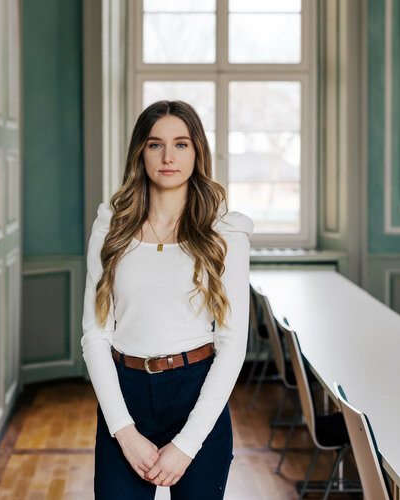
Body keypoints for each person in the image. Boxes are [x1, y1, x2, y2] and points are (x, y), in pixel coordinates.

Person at [81, 100, 254, 499]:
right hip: (124, 394)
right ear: (140, 152)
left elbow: (231, 346)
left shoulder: (225, 231)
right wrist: (124, 432)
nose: (168, 156)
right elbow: (94, 335)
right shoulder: (111, 223)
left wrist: (187, 444)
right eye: (156, 144)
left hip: (197, 390)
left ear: (198, 152)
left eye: (181, 144)